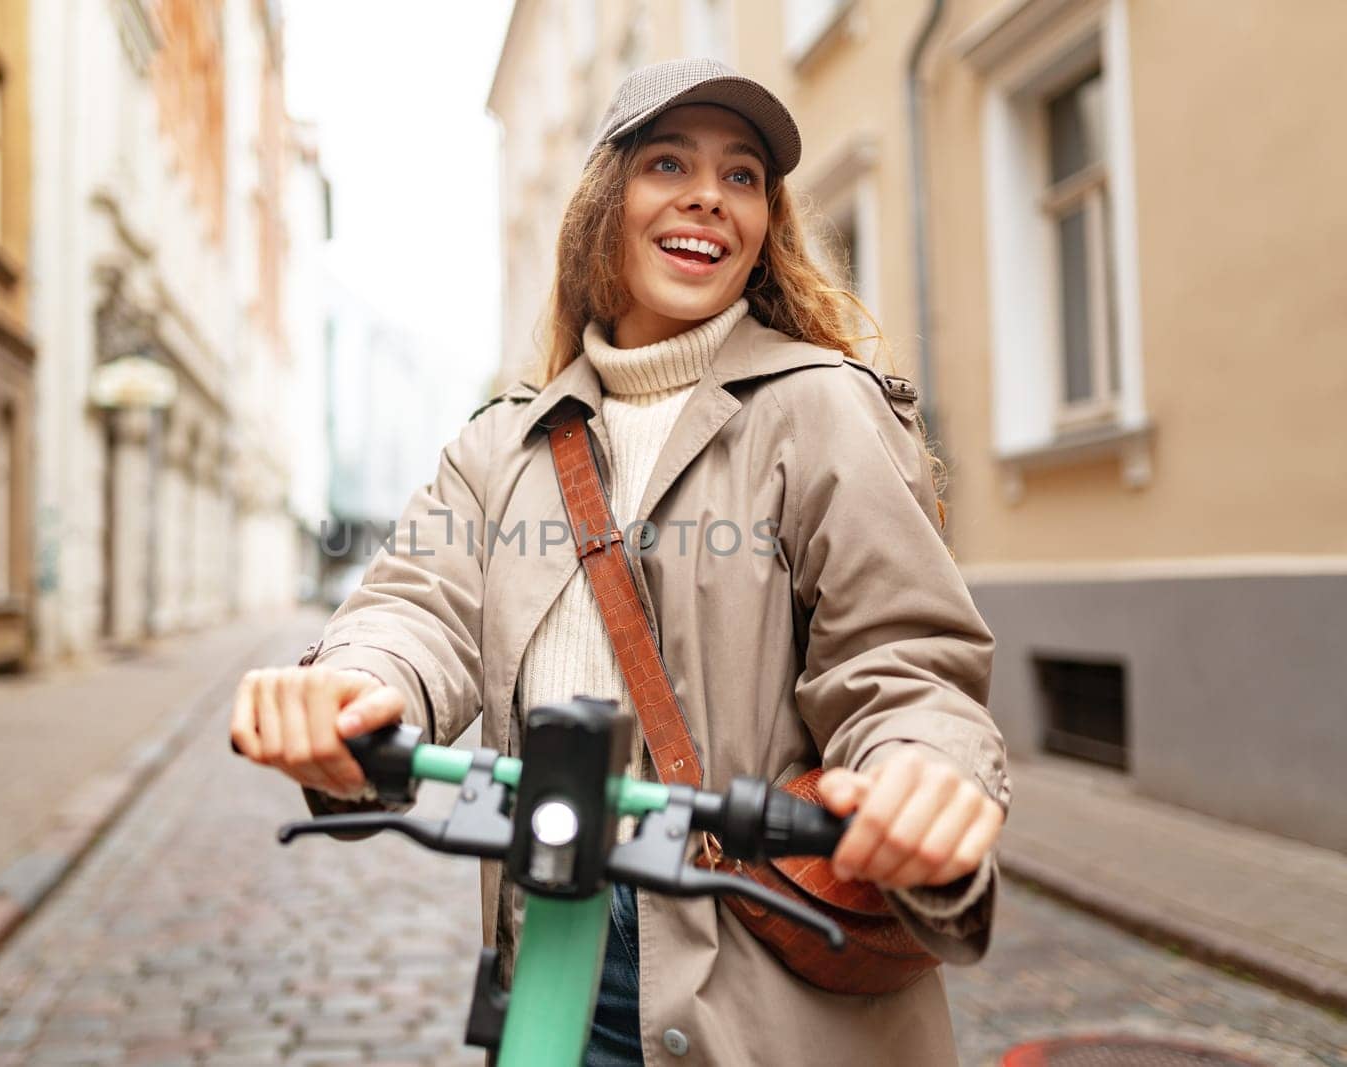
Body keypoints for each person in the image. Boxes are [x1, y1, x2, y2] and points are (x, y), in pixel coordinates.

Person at [232, 58, 1010, 1066]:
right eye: (667, 162)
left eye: (741, 177)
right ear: (606, 200)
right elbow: (415, 605)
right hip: (552, 932)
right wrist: (350, 685)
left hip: (754, 959)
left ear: (765, 225)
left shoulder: (822, 406)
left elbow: (902, 659)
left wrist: (922, 771)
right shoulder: (500, 444)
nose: (706, 196)